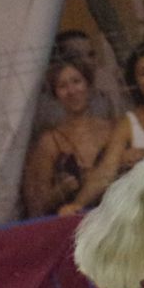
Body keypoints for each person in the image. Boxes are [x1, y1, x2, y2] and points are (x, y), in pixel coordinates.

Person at [59, 43, 144, 215]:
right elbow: (106, 171)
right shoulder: (129, 123)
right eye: (143, 73)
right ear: (135, 81)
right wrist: (77, 204)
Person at [22, 56, 116, 217]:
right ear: (55, 94)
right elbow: (36, 206)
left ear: (88, 85)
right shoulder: (50, 141)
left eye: (76, 81)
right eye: (62, 86)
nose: (71, 91)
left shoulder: (113, 129)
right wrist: (60, 192)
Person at [32, 29, 122, 131]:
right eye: (77, 56)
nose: (88, 61)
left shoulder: (102, 98)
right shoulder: (48, 109)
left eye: (91, 54)